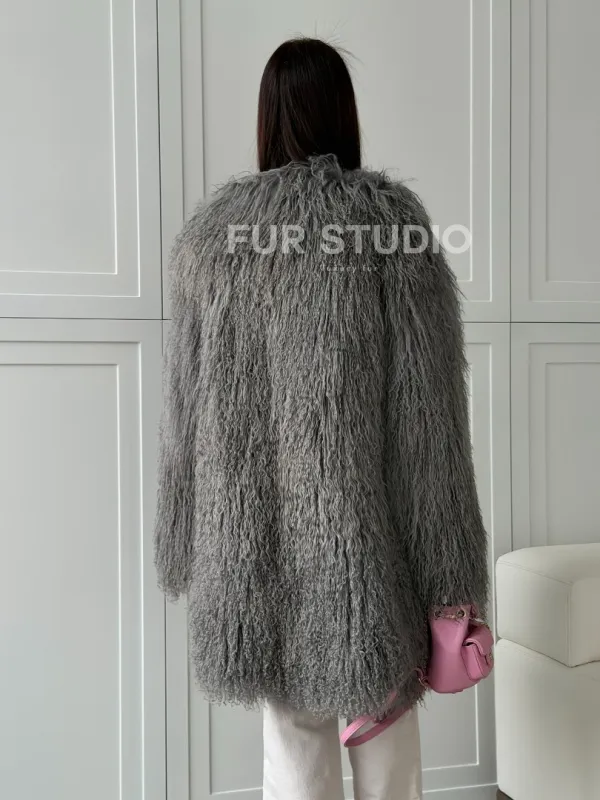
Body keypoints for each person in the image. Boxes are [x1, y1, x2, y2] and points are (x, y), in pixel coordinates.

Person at [154, 37, 488, 800]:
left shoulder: (211, 239)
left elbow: (184, 411)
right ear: (344, 112)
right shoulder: (389, 227)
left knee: (292, 752)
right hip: (371, 552)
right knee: (388, 743)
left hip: (251, 549)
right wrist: (449, 570)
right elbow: (431, 419)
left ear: (267, 118)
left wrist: (182, 539)